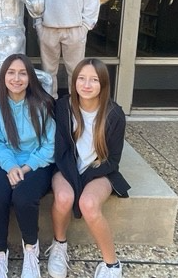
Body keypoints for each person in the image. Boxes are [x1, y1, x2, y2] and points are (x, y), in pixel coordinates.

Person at [46, 58, 130, 278]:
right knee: (64, 197)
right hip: (66, 167)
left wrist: (84, 181)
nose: (86, 84)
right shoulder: (64, 106)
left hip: (99, 170)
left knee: (88, 203)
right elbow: (61, 151)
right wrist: (75, 180)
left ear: (103, 84)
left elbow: (113, 160)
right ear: (74, 82)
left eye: (93, 79)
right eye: (81, 78)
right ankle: (59, 245)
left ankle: (112, 264)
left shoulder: (114, 114)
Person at [0, 54, 55, 278]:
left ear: (30, 77)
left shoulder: (41, 103)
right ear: (3, 76)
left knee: (24, 197)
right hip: (3, 162)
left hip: (35, 164)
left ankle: (30, 251)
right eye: (11, 73)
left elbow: (50, 144)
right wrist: (10, 166)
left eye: (22, 73)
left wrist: (25, 168)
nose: (17, 78)